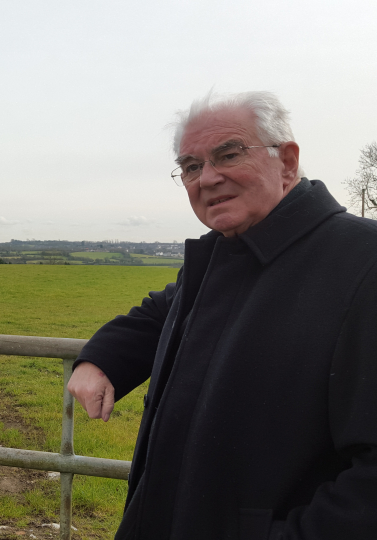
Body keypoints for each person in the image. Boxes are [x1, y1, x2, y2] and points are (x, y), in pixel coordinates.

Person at [68, 91, 377, 539]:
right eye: (191, 166)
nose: (206, 178)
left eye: (228, 154)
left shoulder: (362, 261)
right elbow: (162, 312)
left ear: (287, 161)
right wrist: (101, 359)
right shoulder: (225, 251)